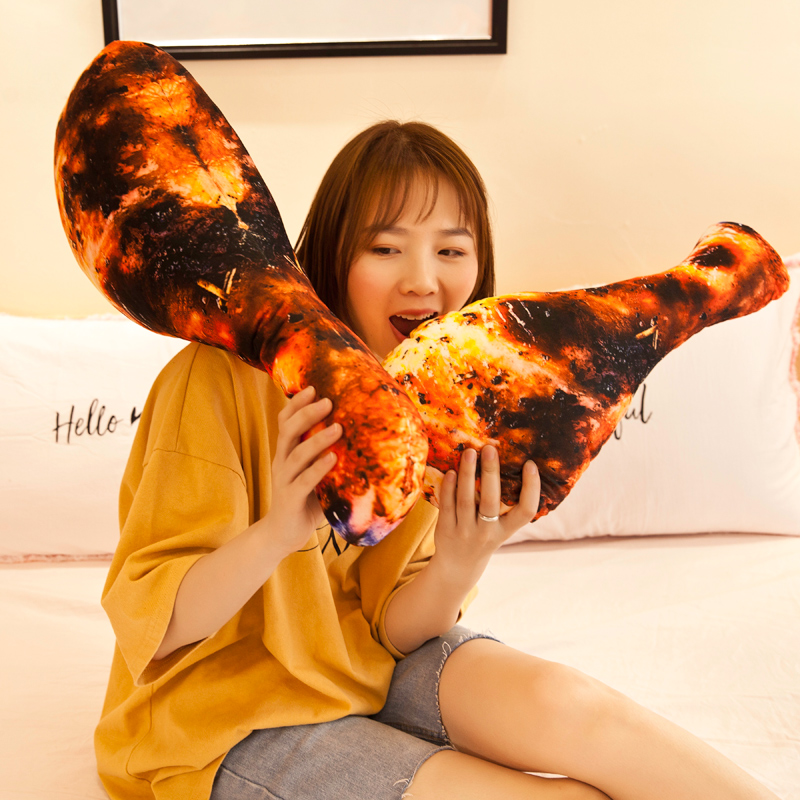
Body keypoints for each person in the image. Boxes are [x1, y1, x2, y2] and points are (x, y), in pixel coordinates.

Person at [95, 120, 779, 800]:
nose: (422, 281)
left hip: (368, 666)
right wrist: (278, 531)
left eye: (451, 250)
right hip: (220, 718)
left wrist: (459, 562)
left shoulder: (444, 399)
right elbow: (154, 628)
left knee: (576, 708)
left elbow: (394, 629)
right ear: (332, 254)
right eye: (385, 248)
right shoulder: (216, 380)